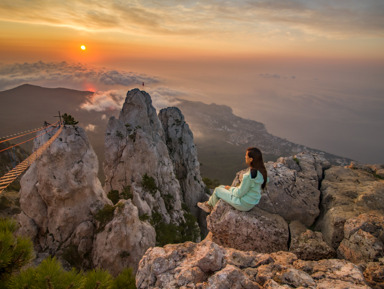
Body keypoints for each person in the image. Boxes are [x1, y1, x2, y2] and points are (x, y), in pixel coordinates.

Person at [197, 147, 268, 213]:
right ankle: (208, 204)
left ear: (251, 159)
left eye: (246, 155)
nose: (245, 157)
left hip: (243, 204)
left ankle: (212, 209)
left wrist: (230, 188)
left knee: (217, 190)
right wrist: (231, 188)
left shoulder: (249, 176)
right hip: (251, 202)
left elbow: (239, 193)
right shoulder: (262, 172)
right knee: (222, 187)